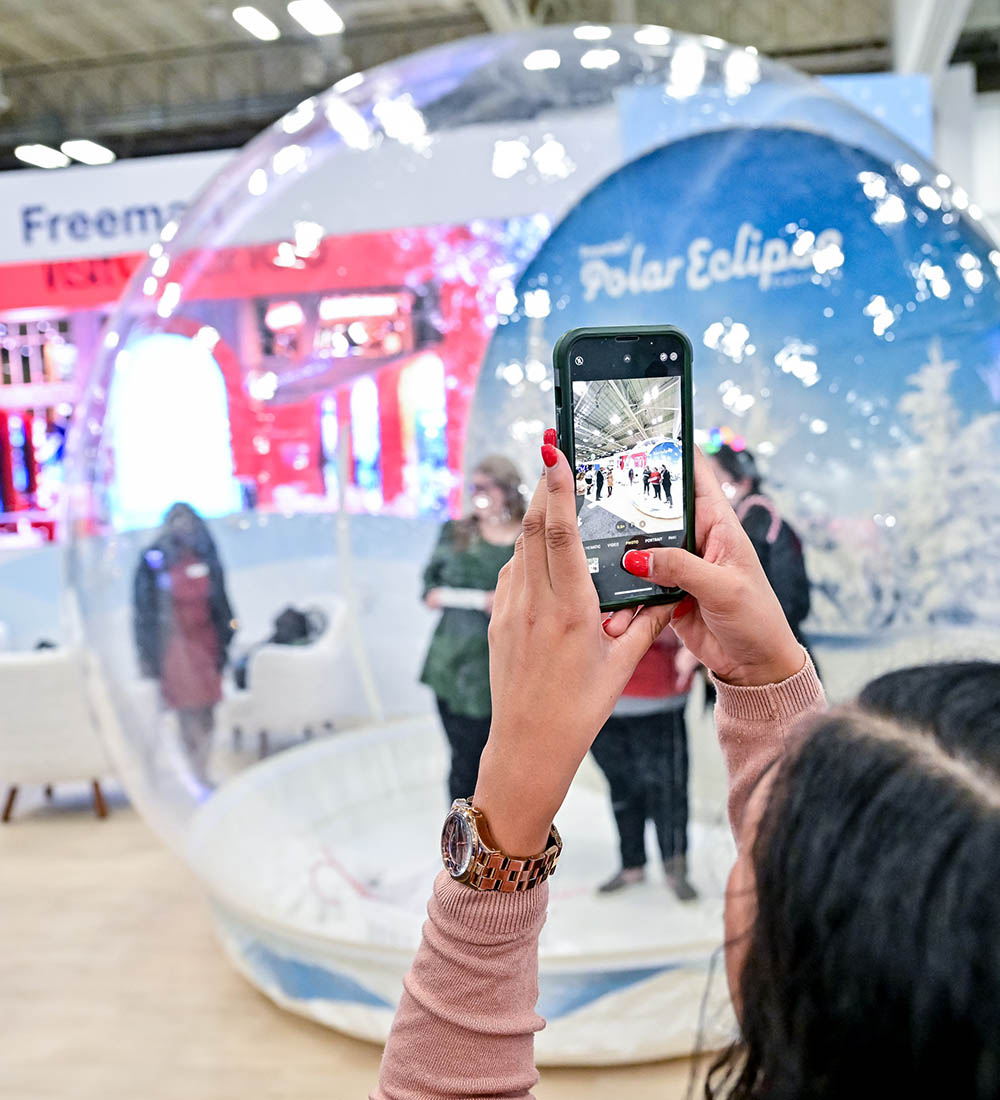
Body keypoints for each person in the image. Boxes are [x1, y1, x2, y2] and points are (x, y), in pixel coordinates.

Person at [373, 435, 1000, 1100]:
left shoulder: (769, 528)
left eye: (765, 863)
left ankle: (663, 860)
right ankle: (638, 858)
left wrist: (502, 827)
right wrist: (769, 680)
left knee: (660, 785)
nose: (754, 845)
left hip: (644, 699)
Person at [419, 455, 524, 803]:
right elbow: (429, 591)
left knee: (506, 771)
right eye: (474, 488)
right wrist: (479, 600)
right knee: (464, 764)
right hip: (454, 663)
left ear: (506, 491)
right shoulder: (456, 533)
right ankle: (461, 849)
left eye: (485, 488)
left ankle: (501, 849)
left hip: (506, 668)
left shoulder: (527, 539)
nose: (478, 495)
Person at [133, 502, 235, 786]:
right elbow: (144, 611)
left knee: (208, 708)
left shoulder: (206, 556)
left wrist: (229, 634)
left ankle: (204, 762)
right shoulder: (154, 560)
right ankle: (194, 771)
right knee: (185, 710)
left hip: (206, 642)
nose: (183, 528)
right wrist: (146, 655)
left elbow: (221, 602)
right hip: (174, 648)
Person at [590, 632, 697, 900]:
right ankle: (632, 863)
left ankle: (675, 869)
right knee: (621, 786)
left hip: (660, 698)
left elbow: (689, 619)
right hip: (603, 697)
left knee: (668, 789)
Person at [709, 443, 811, 646]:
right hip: (785, 649)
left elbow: (744, 590)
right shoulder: (755, 519)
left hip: (773, 653)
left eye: (717, 480)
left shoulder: (757, 519)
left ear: (744, 482)